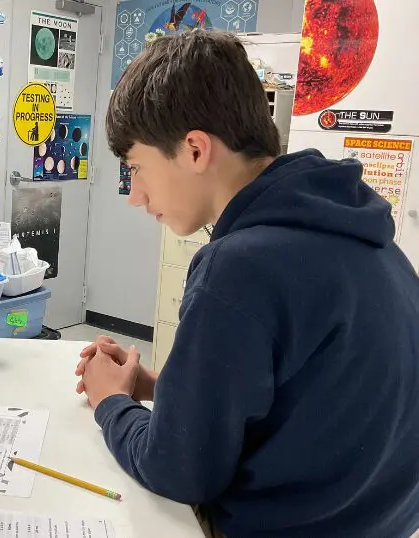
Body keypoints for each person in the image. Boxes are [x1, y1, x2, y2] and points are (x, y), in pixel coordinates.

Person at [76, 30, 419, 538]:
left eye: (137, 168)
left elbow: (177, 471)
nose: (137, 196)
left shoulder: (237, 267)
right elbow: (303, 402)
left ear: (194, 150)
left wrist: (110, 401)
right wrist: (163, 391)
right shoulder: (372, 240)